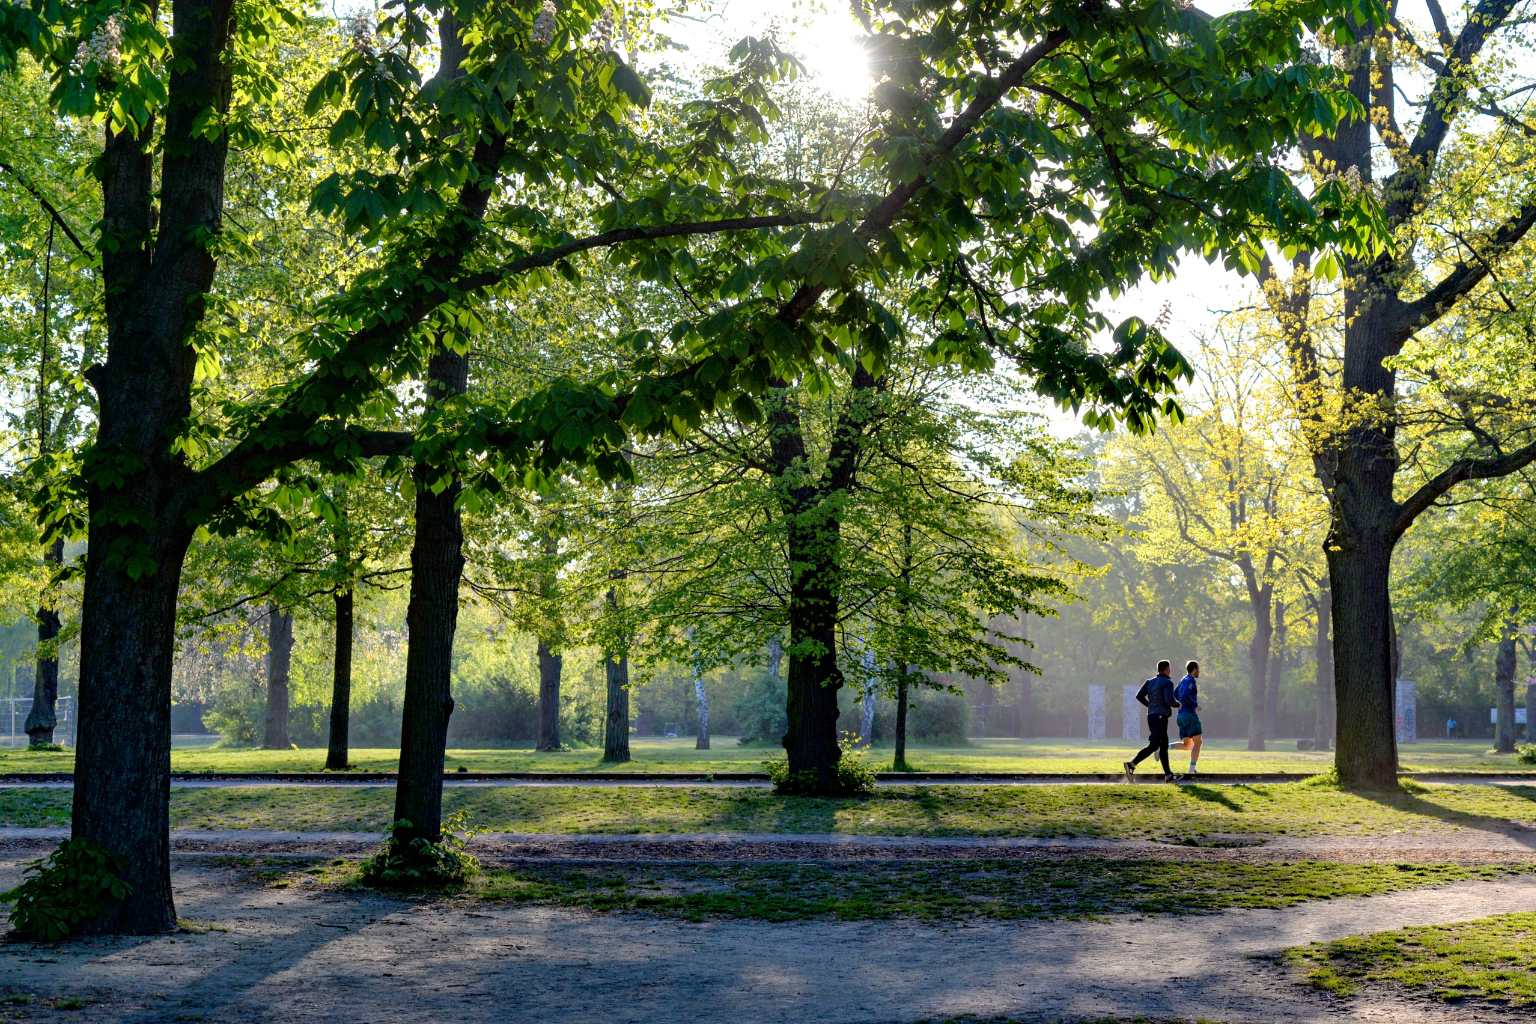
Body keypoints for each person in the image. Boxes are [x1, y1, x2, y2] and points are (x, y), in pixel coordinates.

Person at [1124, 660, 1178, 782]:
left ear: (1158, 670)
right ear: (1167, 669)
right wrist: (1177, 704)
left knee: (1163, 745)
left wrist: (1150, 705)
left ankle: (1168, 775)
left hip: (1152, 716)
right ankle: (1131, 764)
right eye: (1169, 669)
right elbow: (1169, 699)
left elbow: (1139, 696)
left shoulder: (1149, 682)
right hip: (1160, 717)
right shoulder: (1168, 682)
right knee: (1155, 745)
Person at [1171, 660, 1202, 774]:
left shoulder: (1182, 680)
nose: (1199, 671)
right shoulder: (1190, 680)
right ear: (1194, 669)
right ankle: (1192, 770)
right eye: (1198, 669)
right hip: (1189, 715)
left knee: (1187, 745)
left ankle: (1163, 747)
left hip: (1181, 715)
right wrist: (1195, 705)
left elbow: (1175, 693)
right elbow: (1185, 695)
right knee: (1198, 743)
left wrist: (1178, 704)